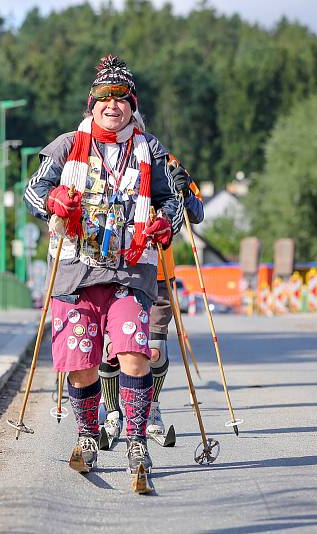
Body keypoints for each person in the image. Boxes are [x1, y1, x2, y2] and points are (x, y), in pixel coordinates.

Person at [24, 55, 183, 476]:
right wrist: (53, 201)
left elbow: (173, 200)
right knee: (81, 362)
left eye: (122, 99)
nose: (113, 106)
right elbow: (32, 191)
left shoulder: (150, 149)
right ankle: (88, 435)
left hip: (131, 269)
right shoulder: (66, 146)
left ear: (132, 105)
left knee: (134, 352)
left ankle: (135, 440)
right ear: (91, 105)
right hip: (76, 270)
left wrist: (165, 222)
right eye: (104, 99)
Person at [100, 151, 204, 444]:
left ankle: (151, 411)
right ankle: (112, 414)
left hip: (159, 274)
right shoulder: (104, 157)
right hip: (117, 271)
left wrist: (184, 190)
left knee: (155, 350)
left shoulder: (166, 162)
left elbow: (196, 214)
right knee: (112, 350)